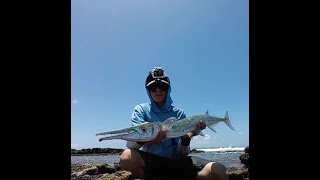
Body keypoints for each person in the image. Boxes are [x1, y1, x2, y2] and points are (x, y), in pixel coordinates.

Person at [120, 67, 229, 180]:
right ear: (148, 90)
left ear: (168, 89)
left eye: (162, 87)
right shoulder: (141, 110)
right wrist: (144, 139)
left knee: (220, 171)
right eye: (153, 87)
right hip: (151, 161)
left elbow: (181, 154)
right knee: (127, 157)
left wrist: (186, 139)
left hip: (177, 162)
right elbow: (132, 145)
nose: (158, 90)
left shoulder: (179, 113)